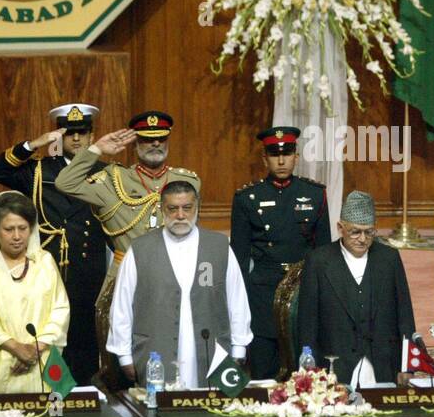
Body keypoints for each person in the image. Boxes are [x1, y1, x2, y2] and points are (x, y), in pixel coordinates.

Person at [0, 103, 110, 384]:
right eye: (69, 133)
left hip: (87, 271)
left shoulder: (105, 172)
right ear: (59, 137)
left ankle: (82, 398)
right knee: (44, 337)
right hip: (47, 271)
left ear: (92, 136)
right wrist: (32, 144)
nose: (76, 139)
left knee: (83, 341)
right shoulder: (39, 170)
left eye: (82, 133)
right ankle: (44, 394)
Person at [107, 175, 252, 388]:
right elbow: (122, 306)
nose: (180, 215)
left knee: (214, 415)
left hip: (212, 353)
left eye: (187, 207)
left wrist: (239, 348)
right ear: (161, 209)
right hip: (154, 353)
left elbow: (237, 300)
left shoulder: (219, 246)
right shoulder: (139, 249)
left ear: (197, 207)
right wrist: (124, 355)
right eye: (173, 209)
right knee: (159, 415)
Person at [230, 126, 330, 378]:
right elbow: (239, 260)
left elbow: (324, 252)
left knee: (306, 371)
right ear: (265, 158)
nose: (282, 160)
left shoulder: (314, 194)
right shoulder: (247, 198)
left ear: (297, 156)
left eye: (287, 153)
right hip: (263, 293)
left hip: (303, 290)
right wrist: (237, 307)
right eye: (275, 154)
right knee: (264, 370)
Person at [55, 110, 198, 280]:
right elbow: (65, 183)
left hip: (174, 273)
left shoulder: (188, 181)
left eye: (161, 138)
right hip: (126, 274)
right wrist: (97, 149)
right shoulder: (112, 180)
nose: (156, 143)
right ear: (134, 144)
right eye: (147, 139)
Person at [296, 191, 415, 387]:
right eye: (355, 232)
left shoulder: (389, 259)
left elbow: (405, 317)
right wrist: (309, 372)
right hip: (334, 370)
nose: (362, 239)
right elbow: (308, 323)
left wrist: (407, 366)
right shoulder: (318, 261)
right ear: (340, 228)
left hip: (383, 366)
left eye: (369, 232)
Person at [0, 192, 70, 398]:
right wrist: (16, 348)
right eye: (8, 229)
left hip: (44, 358)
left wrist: (36, 348)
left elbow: (61, 310)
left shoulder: (45, 261)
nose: (16, 236)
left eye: (22, 228)